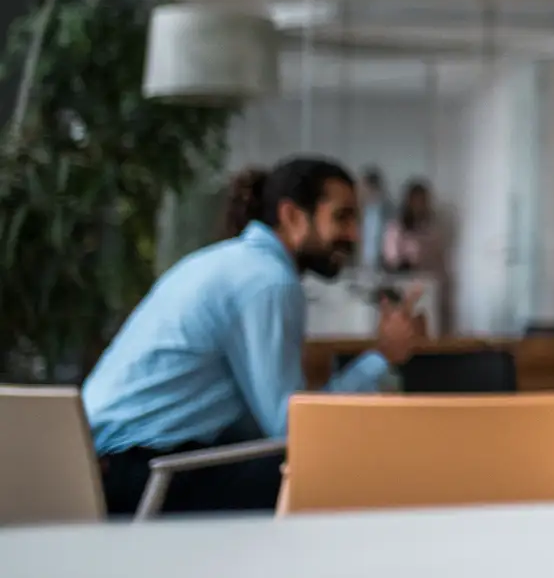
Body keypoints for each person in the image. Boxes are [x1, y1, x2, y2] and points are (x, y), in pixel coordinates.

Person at [82, 157, 425, 515]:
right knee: (343, 467)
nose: (354, 234)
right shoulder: (269, 281)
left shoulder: (227, 261)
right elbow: (292, 428)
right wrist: (382, 356)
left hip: (106, 466)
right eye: (342, 217)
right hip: (140, 475)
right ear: (292, 216)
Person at [358, 166, 389, 270]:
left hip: (383, 264)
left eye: (363, 187)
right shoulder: (361, 211)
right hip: (363, 264)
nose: (360, 191)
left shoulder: (388, 211)